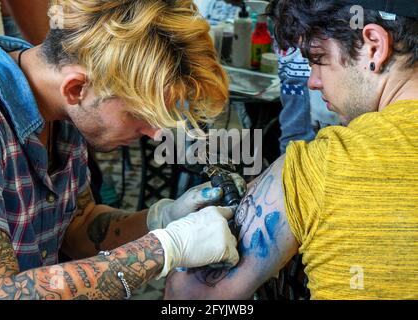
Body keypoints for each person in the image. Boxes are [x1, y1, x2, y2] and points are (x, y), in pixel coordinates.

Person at [165, 0, 418, 300]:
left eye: (318, 57)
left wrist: (171, 246)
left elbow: (188, 298)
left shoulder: (322, 166)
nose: (312, 81)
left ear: (373, 46)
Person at [0, 0, 247, 300]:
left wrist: (162, 219)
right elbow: (5, 291)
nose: (155, 134)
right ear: (76, 88)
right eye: (139, 114)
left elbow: (79, 225)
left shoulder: (70, 111)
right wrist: (165, 247)